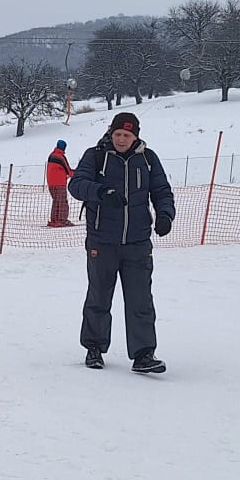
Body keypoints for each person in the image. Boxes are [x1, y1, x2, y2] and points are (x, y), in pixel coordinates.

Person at [70, 110, 175, 373]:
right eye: (117, 134)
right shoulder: (96, 156)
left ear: (135, 136)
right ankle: (94, 348)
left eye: (126, 135)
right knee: (99, 297)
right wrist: (101, 192)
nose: (121, 139)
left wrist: (165, 215)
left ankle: (143, 354)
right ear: (110, 133)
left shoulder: (148, 159)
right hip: (102, 241)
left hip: (137, 242)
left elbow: (162, 190)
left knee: (141, 300)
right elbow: (77, 184)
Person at [45, 138, 75, 227]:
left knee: (56, 202)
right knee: (62, 202)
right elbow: (68, 171)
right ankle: (62, 220)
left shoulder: (51, 155)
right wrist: (77, 173)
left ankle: (54, 220)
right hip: (60, 183)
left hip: (50, 183)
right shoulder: (60, 157)